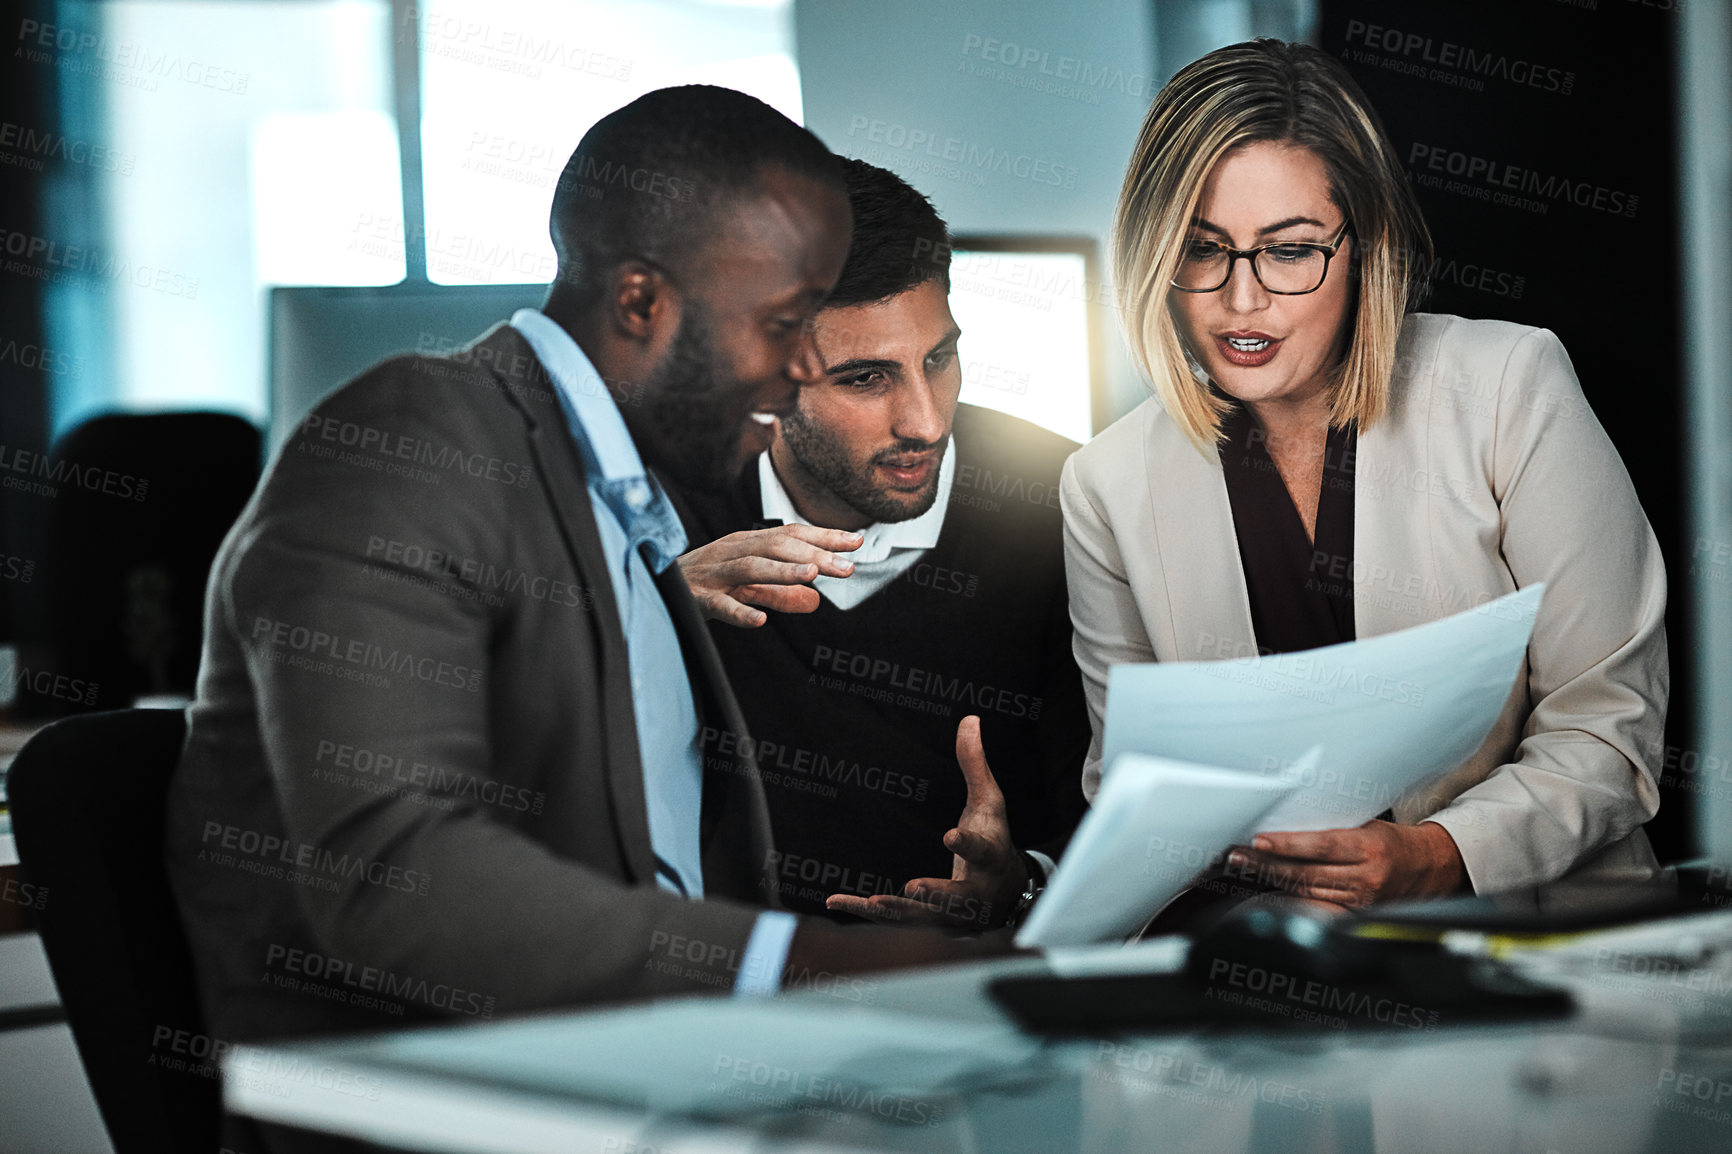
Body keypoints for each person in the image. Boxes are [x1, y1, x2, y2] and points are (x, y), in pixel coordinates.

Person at [165, 87, 1007, 1152]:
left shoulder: (627, 502)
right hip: (462, 1119)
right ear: (644, 301)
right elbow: (394, 870)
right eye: (785, 325)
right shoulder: (407, 438)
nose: (801, 373)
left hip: (664, 1092)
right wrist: (798, 969)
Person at [1062, 39, 1666, 911]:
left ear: (1365, 244)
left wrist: (1438, 853)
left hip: (1540, 959)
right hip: (1281, 986)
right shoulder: (1106, 482)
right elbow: (1136, 806)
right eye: (1203, 249)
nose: (1243, 300)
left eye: (1291, 249)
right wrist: (1029, 888)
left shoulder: (1507, 386)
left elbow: (1611, 730)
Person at [670, 159, 1090, 929]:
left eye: (939, 359)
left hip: (985, 989)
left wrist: (1023, 884)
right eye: (865, 379)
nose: (926, 421)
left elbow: (1125, 811)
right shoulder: (659, 508)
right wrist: (645, 607)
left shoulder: (1072, 503)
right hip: (730, 990)